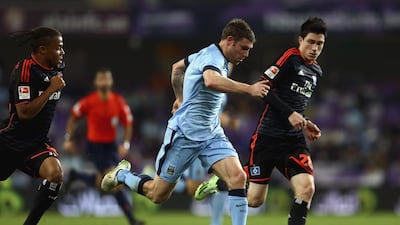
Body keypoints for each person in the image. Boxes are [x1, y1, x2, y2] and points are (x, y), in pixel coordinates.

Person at [101, 18, 269, 225]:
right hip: (184, 135)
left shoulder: (205, 54)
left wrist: (180, 97)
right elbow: (211, 80)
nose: (246, 54)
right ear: (230, 40)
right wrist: (250, 89)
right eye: (244, 48)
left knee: (237, 178)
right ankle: (123, 175)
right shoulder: (212, 58)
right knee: (157, 194)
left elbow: (177, 67)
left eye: (249, 50)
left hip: (211, 134)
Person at [195, 17, 327, 225]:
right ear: (300, 40)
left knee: (307, 188)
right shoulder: (290, 58)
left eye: (319, 44)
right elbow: (263, 88)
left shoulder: (316, 71)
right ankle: (222, 183)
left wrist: (306, 121)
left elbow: (296, 104)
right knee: (255, 200)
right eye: (310, 42)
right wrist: (289, 114)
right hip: (268, 137)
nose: (314, 48)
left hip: (293, 141)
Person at [0, 27, 66, 225]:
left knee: (56, 174)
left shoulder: (58, 66)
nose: (62, 52)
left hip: (36, 143)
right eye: (58, 48)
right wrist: (50, 89)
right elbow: (24, 113)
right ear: (43, 49)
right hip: (10, 140)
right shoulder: (25, 70)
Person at [63, 69, 144, 225]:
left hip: (111, 146)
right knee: (114, 182)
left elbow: (128, 123)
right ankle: (133, 221)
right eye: (101, 79)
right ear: (96, 82)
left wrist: (125, 143)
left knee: (104, 182)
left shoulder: (118, 101)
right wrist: (68, 138)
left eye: (107, 78)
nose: (104, 81)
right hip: (94, 146)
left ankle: (77, 176)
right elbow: (73, 116)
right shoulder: (89, 101)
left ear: (111, 82)